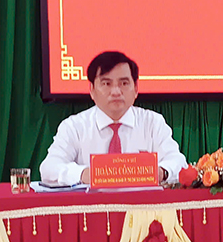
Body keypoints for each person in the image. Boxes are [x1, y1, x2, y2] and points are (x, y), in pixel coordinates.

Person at [40, 51, 187, 185]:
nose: (116, 91)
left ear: (136, 89)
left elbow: (179, 162)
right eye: (106, 84)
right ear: (92, 90)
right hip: (93, 204)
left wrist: (161, 172)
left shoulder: (153, 123)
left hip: (141, 205)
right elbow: (49, 168)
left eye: (124, 83)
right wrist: (84, 174)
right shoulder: (74, 126)